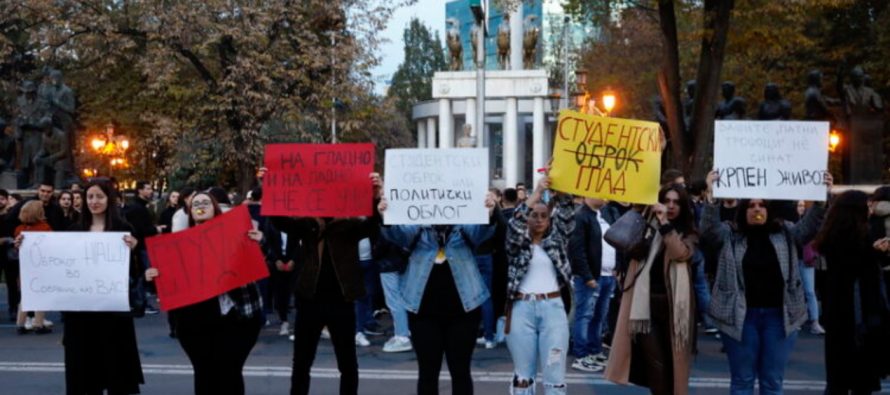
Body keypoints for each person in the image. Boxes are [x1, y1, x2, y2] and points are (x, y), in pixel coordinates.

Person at [701, 170, 830, 395]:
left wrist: (820, 199)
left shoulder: (786, 233)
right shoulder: (731, 235)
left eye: (762, 205)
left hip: (778, 318)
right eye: (751, 205)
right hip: (740, 317)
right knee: (742, 380)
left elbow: (808, 229)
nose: (757, 209)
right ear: (744, 211)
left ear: (769, 210)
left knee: (772, 382)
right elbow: (709, 230)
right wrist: (711, 194)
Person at [18, 179, 143, 394]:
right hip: (81, 316)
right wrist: (25, 245)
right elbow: (55, 261)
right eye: (90, 197)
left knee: (116, 373)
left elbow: (134, 273)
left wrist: (134, 250)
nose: (94, 201)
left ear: (109, 199)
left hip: (112, 314)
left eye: (100, 197)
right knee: (83, 375)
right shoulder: (75, 230)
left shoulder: (123, 229)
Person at [271, 173, 381, 395]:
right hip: (309, 300)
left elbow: (372, 226)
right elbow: (280, 222)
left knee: (347, 362)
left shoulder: (349, 226)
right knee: (301, 362)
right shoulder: (308, 225)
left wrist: (374, 196)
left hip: (341, 301)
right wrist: (271, 188)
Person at [145, 192, 265, 395]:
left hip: (236, 318)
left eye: (205, 202)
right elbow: (168, 283)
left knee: (230, 373)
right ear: (190, 212)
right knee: (205, 374)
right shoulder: (178, 246)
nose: (201, 205)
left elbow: (256, 262)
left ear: (215, 208)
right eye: (196, 204)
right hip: (195, 324)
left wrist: (259, 242)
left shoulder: (236, 233)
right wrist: (153, 275)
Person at [378, 194, 497, 395]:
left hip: (464, 309)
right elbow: (398, 235)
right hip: (422, 309)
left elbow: (481, 233)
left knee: (460, 372)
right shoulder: (416, 220)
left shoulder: (465, 218)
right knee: (427, 373)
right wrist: (385, 215)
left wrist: (490, 213)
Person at [604, 184, 698, 395]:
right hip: (645, 309)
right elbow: (615, 237)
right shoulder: (646, 226)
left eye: (676, 202)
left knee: (673, 370)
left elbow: (679, 253)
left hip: (675, 310)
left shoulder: (688, 233)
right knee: (657, 369)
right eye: (667, 201)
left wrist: (665, 223)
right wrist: (639, 209)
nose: (671, 206)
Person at [503, 175, 574, 393]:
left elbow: (568, 214)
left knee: (554, 373)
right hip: (521, 309)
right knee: (523, 376)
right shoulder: (518, 243)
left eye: (544, 216)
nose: (539, 220)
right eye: (534, 215)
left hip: (552, 309)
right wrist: (535, 193)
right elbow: (515, 223)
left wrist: (560, 181)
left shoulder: (556, 240)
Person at [815, 190, 890, 395]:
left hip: (842, 315)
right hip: (855, 316)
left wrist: (876, 253)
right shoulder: (849, 238)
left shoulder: (835, 236)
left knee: (840, 380)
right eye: (866, 205)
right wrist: (875, 252)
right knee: (858, 381)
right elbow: (856, 267)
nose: (870, 209)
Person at [570, 197, 620, 372]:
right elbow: (577, 249)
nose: (605, 195)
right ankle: (581, 355)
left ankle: (594, 350)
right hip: (591, 277)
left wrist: (616, 268)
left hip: (607, 275)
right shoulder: (581, 216)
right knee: (585, 316)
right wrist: (587, 276)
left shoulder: (604, 214)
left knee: (599, 316)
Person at [474, 188, 508, 349]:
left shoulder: (469, 207)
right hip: (486, 254)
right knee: (485, 296)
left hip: (471, 255)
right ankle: (488, 336)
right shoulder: (491, 209)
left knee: (469, 297)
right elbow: (502, 228)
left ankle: (479, 334)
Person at [13, 201, 53, 334]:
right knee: (40, 295)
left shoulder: (19, 229)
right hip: (40, 266)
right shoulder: (45, 227)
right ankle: (38, 323)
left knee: (24, 296)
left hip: (25, 267)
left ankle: (20, 324)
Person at [796, 201, 825, 335]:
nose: (801, 208)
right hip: (793, 260)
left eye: (803, 205)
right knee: (793, 291)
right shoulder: (790, 222)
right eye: (798, 205)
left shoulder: (809, 223)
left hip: (806, 260)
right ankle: (796, 320)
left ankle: (814, 321)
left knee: (809, 291)